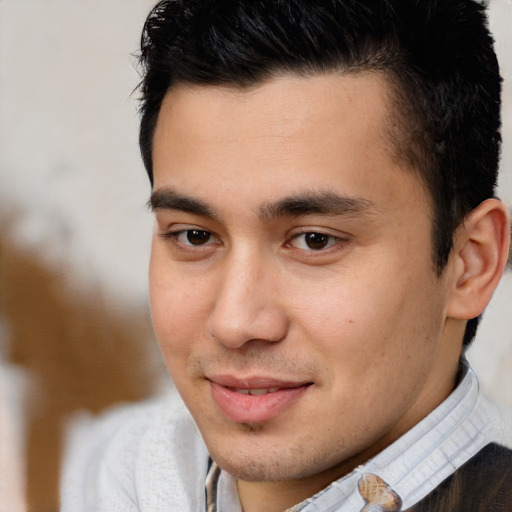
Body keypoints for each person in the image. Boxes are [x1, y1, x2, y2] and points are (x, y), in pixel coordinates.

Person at [60, 0, 512, 511]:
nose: (235, 323)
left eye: (314, 240)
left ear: (470, 264)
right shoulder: (99, 479)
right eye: (193, 236)